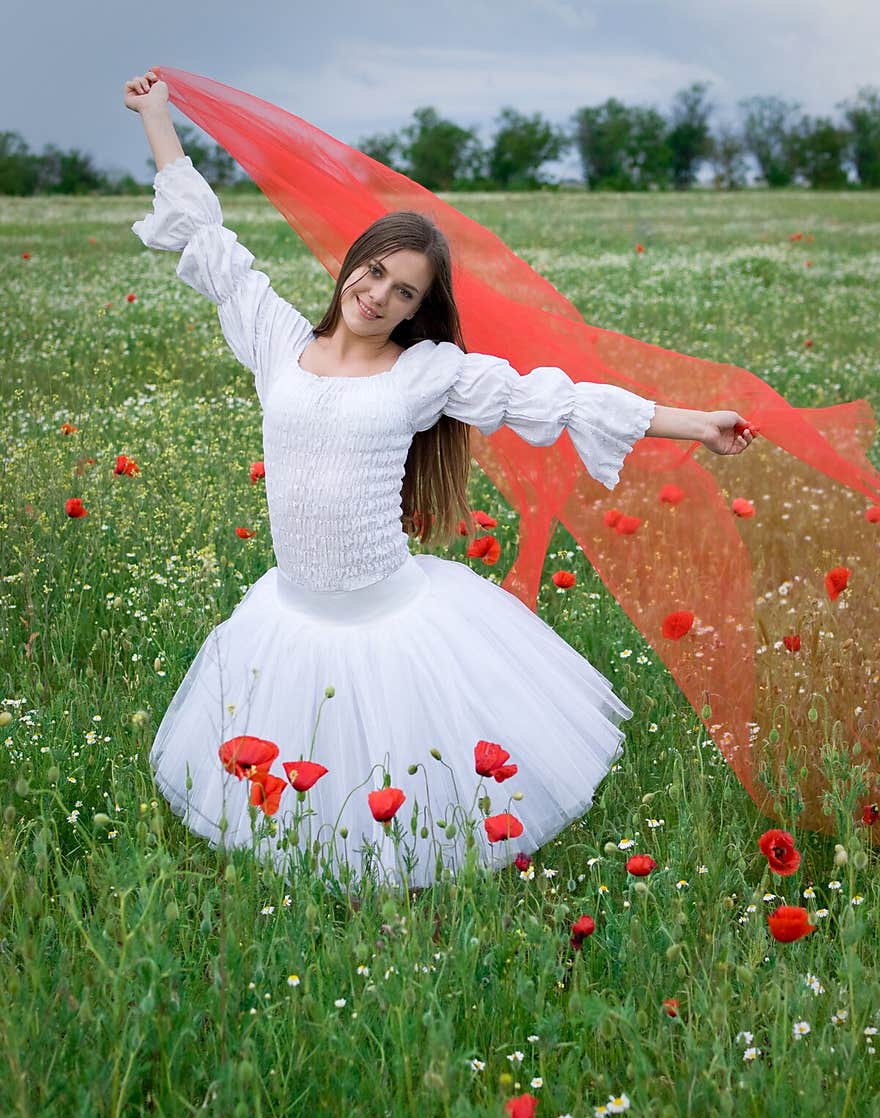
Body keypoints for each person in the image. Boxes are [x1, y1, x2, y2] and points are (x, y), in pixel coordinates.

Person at [123, 70, 756, 899]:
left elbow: (549, 397)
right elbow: (207, 241)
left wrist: (692, 422)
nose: (378, 294)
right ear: (352, 265)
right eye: (374, 272)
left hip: (392, 621)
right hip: (289, 617)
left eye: (404, 291)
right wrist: (158, 117)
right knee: (298, 805)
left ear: (420, 309)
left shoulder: (424, 372)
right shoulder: (277, 340)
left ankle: (409, 914)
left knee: (402, 794)